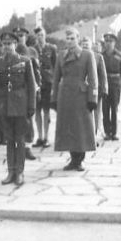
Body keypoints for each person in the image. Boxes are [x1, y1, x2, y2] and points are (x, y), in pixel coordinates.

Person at [0, 32, 36, 186]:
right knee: (9, 140)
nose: (7, 46)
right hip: (4, 106)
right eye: (4, 44)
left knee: (20, 139)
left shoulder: (25, 61)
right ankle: (11, 171)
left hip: (20, 106)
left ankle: (20, 172)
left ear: (15, 45)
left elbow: (31, 85)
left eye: (10, 43)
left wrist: (31, 106)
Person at [51, 27, 98, 171]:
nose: (70, 41)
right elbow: (56, 78)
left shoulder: (87, 55)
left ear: (78, 38)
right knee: (68, 127)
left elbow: (93, 79)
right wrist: (54, 98)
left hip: (81, 96)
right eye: (68, 38)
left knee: (81, 128)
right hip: (65, 96)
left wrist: (93, 98)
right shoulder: (61, 55)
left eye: (73, 38)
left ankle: (80, 160)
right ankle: (73, 159)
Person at [13, 27, 42, 160]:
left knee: (29, 119)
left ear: (26, 37)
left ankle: (28, 147)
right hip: (14, 91)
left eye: (22, 35)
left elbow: (36, 71)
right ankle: (17, 147)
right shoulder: (11, 51)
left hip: (29, 89)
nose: (20, 38)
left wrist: (38, 86)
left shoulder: (32, 51)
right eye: (18, 36)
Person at [33, 27, 57, 148]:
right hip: (36, 83)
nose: (40, 37)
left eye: (42, 35)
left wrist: (55, 84)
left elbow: (56, 66)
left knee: (46, 111)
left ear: (45, 35)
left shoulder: (51, 48)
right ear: (35, 37)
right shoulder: (32, 49)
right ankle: (40, 137)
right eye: (38, 35)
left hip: (48, 82)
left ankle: (47, 137)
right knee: (37, 111)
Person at [81, 37, 108, 139]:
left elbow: (103, 75)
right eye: (83, 46)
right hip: (82, 91)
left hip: (95, 91)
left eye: (87, 46)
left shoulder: (98, 57)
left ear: (91, 46)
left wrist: (104, 89)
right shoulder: (78, 57)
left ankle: (94, 135)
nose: (85, 48)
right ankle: (84, 135)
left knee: (96, 114)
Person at [102, 33, 121, 141]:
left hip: (115, 85)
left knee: (114, 109)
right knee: (105, 109)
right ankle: (107, 132)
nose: (108, 44)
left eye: (110, 42)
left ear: (114, 43)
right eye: (106, 42)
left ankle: (114, 132)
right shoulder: (101, 56)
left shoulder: (120, 55)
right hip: (105, 84)